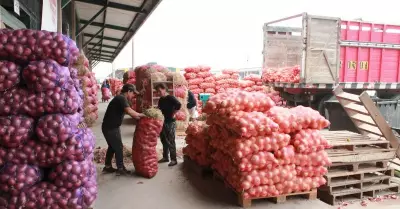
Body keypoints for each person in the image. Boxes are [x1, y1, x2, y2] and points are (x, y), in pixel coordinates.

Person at [102, 84, 146, 176]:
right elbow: (131, 112)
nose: (133, 96)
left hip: (110, 126)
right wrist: (144, 115)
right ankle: (120, 169)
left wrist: (139, 116)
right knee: (118, 147)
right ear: (129, 91)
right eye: (133, 93)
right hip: (111, 128)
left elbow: (130, 113)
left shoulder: (121, 98)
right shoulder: (121, 98)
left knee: (112, 147)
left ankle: (107, 167)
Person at [155, 83, 181, 166]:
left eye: (159, 91)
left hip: (170, 122)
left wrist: (173, 113)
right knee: (163, 140)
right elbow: (159, 108)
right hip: (163, 121)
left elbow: (178, 105)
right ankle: (165, 157)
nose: (158, 93)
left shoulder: (170, 98)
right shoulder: (161, 99)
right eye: (157, 91)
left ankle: (174, 160)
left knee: (171, 140)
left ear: (164, 89)